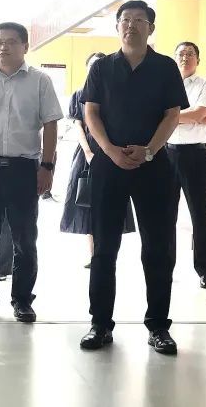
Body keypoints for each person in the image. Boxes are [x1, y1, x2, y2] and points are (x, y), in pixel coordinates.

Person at [78, 0, 188, 355]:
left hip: (153, 166)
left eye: (139, 20)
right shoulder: (102, 68)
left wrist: (150, 150)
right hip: (109, 165)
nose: (131, 25)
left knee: (158, 248)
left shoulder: (165, 67)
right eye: (125, 20)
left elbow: (172, 115)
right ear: (117, 27)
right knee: (104, 248)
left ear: (150, 28)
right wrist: (109, 150)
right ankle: (100, 324)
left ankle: (158, 326)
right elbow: (90, 112)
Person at [0, 22, 65, 323]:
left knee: (25, 239)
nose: (3, 47)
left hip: (23, 169)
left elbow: (51, 125)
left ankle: (22, 300)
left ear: (25, 46)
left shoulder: (40, 81)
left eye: (11, 41)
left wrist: (47, 167)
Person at [59, 52, 135, 267]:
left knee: (113, 203)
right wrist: (88, 152)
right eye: (92, 65)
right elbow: (78, 125)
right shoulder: (79, 94)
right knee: (88, 203)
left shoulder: (117, 92)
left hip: (115, 150)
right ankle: (94, 255)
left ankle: (108, 252)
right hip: (89, 151)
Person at [168, 41, 206, 289]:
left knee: (200, 213)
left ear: (197, 59)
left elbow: (200, 114)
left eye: (190, 54)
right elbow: (197, 116)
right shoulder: (165, 84)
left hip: (195, 155)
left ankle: (205, 270)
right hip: (166, 154)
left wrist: (168, 118)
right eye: (181, 54)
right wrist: (192, 117)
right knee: (165, 215)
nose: (185, 58)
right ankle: (164, 267)